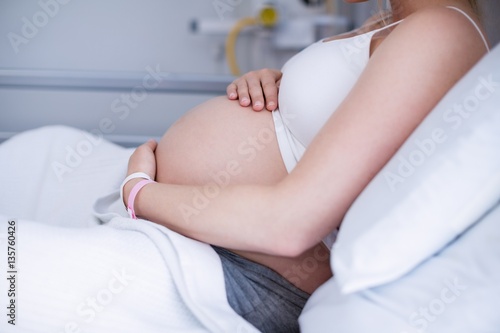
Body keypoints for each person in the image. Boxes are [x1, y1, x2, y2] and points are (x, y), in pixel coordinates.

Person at [121, 0, 490, 331]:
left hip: (253, 278)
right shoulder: (393, 19)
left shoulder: (440, 31)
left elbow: (289, 225)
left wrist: (140, 192)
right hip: (216, 244)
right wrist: (276, 91)